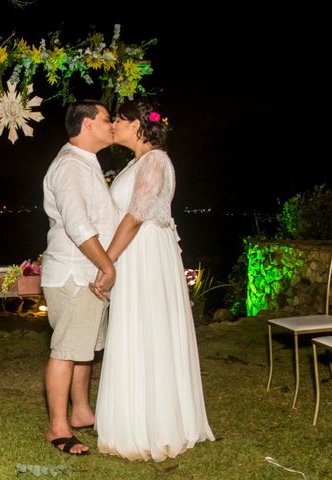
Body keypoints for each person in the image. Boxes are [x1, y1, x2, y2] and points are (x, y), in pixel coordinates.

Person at [92, 99, 215, 461]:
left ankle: (156, 425)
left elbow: (135, 216)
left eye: (119, 119)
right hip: (136, 252)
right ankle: (133, 417)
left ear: (138, 125)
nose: (113, 123)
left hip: (145, 253)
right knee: (134, 329)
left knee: (149, 330)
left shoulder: (156, 160)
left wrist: (106, 261)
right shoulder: (137, 162)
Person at [41, 99, 118, 455]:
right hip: (75, 272)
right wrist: (107, 265)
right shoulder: (70, 166)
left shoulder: (86, 163)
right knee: (66, 351)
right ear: (87, 124)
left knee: (83, 348)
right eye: (106, 119)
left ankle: (82, 412)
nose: (112, 124)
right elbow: (77, 225)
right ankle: (58, 427)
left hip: (85, 272)